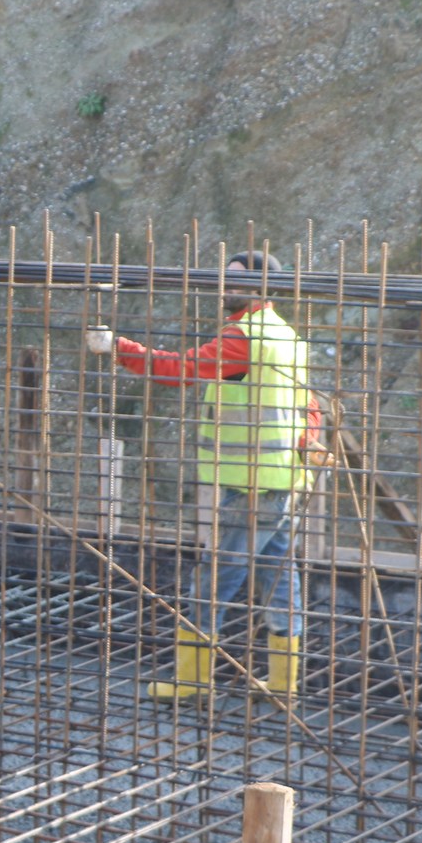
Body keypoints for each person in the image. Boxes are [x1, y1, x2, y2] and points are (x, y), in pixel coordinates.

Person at [87, 251, 311, 699]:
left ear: (263, 287)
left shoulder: (245, 337)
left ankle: (192, 680)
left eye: (236, 281)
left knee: (213, 581)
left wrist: (120, 348)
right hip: (279, 480)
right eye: (224, 279)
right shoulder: (283, 334)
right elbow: (308, 404)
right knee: (277, 577)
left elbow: (182, 369)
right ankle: (285, 682)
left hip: (252, 484)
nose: (224, 287)